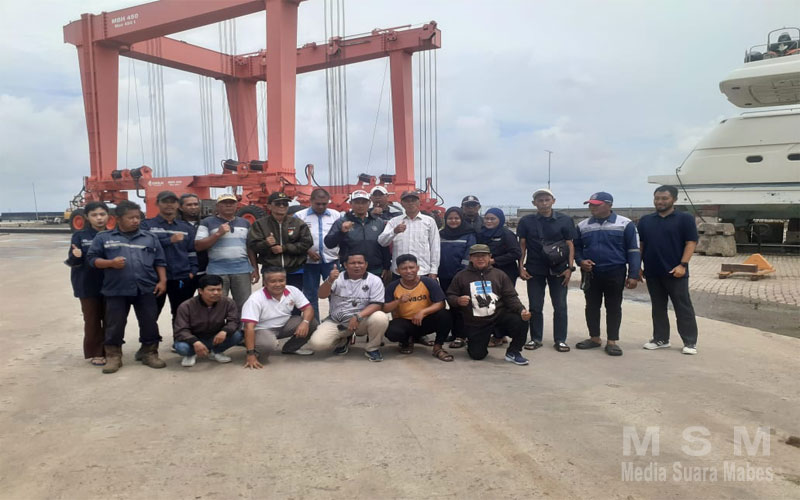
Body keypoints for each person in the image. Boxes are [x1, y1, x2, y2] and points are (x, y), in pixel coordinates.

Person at [86, 201, 167, 374]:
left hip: (145, 288)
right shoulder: (103, 237)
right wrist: (110, 263)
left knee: (149, 322)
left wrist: (162, 281)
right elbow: (92, 259)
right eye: (131, 218)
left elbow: (160, 261)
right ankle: (113, 356)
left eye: (138, 217)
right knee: (115, 324)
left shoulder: (150, 237)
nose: (136, 221)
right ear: (118, 219)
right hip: (116, 289)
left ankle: (149, 353)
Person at [573, 192, 641, 356]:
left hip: (615, 271)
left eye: (596, 204)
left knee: (613, 306)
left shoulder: (624, 224)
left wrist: (633, 274)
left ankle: (612, 341)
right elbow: (577, 248)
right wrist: (581, 261)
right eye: (590, 204)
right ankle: (594, 338)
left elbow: (633, 250)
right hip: (591, 273)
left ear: (609, 205)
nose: (592, 207)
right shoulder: (583, 226)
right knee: (591, 306)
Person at [637, 185, 699, 355]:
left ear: (674, 199)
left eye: (664, 198)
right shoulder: (646, 220)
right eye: (657, 198)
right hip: (652, 271)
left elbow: (691, 242)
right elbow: (641, 244)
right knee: (658, 307)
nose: (660, 201)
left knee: (683, 307)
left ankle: (690, 342)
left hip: (676, 272)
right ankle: (661, 339)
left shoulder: (685, 219)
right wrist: (637, 267)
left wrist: (683, 265)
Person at [446, 244, 531, 365]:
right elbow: (450, 295)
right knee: (477, 355)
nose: (480, 259)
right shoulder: (461, 276)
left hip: (498, 317)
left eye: (483, 256)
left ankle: (514, 351)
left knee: (521, 319)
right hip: (476, 322)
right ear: (470, 258)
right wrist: (458, 300)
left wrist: (521, 310)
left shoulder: (499, 275)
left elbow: (510, 296)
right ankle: (473, 342)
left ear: (490, 257)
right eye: (476, 256)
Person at [517, 188, 576, 353]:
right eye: (540, 200)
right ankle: (536, 338)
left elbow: (570, 244)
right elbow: (522, 246)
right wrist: (520, 267)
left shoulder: (565, 220)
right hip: (535, 269)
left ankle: (560, 340)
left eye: (547, 200)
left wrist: (570, 268)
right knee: (535, 306)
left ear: (553, 201)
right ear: (534, 203)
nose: (544, 203)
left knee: (560, 306)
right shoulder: (526, 221)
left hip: (559, 269)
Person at [304, 253, 389, 362]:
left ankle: (372, 348)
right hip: (337, 321)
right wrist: (330, 280)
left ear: (366, 264)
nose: (357, 266)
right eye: (352, 263)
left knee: (380, 317)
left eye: (360, 263)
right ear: (345, 265)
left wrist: (358, 316)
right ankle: (343, 341)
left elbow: (377, 304)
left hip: (362, 320)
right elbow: (321, 295)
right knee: (317, 344)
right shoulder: (336, 278)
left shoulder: (375, 280)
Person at [241, 267, 319, 369]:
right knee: (268, 344)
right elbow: (249, 327)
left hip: (284, 325)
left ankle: (290, 348)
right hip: (262, 329)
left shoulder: (293, 290)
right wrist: (250, 354)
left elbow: (308, 308)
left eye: (281, 280)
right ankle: (253, 350)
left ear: (285, 280)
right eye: (273, 281)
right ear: (265, 283)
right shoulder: (255, 299)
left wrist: (305, 322)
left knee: (312, 323)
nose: (278, 284)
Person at [195, 193, 259, 313]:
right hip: (217, 271)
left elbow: (250, 247)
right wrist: (218, 234)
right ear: (217, 206)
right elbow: (198, 246)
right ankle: (220, 325)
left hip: (242, 271)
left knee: (244, 305)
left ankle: (240, 325)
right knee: (216, 306)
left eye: (232, 203)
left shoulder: (245, 223)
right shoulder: (206, 222)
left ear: (236, 206)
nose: (228, 205)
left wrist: (255, 268)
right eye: (224, 203)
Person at [141, 190, 199, 322]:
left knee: (181, 314)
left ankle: (180, 336)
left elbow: (191, 251)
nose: (169, 205)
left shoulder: (186, 227)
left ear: (178, 205)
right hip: (154, 278)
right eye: (165, 202)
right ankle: (151, 336)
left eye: (172, 202)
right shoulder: (147, 225)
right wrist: (169, 240)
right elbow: (145, 247)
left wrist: (193, 270)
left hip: (180, 277)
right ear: (157, 204)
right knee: (151, 314)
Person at [383, 254, 454, 362]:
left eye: (411, 267)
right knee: (391, 331)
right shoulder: (392, 286)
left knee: (445, 315)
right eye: (404, 268)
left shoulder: (428, 282)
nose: (408, 271)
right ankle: (406, 341)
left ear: (417, 268)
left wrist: (423, 312)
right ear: (398, 271)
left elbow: (440, 303)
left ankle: (438, 347)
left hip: (425, 320)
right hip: (405, 322)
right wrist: (398, 301)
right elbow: (385, 309)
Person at [65, 201, 109, 366]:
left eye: (102, 214)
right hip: (87, 284)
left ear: (108, 216)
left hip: (110, 283)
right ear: (87, 217)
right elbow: (72, 261)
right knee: (92, 320)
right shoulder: (80, 236)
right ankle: (96, 352)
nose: (99, 218)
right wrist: (76, 255)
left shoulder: (113, 235)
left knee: (111, 319)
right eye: (94, 215)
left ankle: (111, 350)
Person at [172, 274, 243, 367]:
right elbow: (181, 330)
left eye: (219, 289)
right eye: (211, 290)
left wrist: (225, 331)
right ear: (200, 291)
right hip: (193, 338)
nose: (216, 293)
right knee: (181, 347)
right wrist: (194, 341)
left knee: (238, 335)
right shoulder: (186, 306)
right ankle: (191, 354)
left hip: (215, 337)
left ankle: (216, 352)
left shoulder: (227, 302)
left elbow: (234, 320)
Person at [247, 191, 313, 290]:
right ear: (269, 206)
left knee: (294, 298)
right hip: (271, 270)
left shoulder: (298, 223)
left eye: (285, 203)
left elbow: (307, 243)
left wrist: (284, 248)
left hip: (295, 270)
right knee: (271, 299)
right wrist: (266, 243)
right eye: (278, 203)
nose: (282, 206)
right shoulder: (260, 224)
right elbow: (252, 246)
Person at [294, 188, 341, 321]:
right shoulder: (299, 216)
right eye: (318, 204)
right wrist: (307, 251)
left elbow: (342, 235)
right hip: (309, 262)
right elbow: (293, 237)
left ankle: (335, 321)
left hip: (331, 261)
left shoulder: (336, 215)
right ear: (311, 201)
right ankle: (313, 324)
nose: (321, 206)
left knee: (335, 292)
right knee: (310, 294)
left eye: (324, 204)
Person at [324, 189, 391, 279]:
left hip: (375, 270)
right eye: (357, 202)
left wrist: (387, 266)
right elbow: (329, 243)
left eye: (363, 202)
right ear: (351, 203)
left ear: (369, 203)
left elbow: (384, 245)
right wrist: (341, 232)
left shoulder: (379, 222)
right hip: (351, 270)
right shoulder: (342, 222)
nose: (360, 205)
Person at [377, 190, 440, 278]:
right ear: (402, 203)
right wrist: (394, 232)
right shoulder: (394, 221)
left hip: (422, 271)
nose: (410, 203)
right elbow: (382, 242)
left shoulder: (429, 221)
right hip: (399, 272)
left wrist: (434, 270)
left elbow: (435, 247)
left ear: (419, 202)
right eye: (407, 201)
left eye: (413, 200)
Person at [438, 207, 476, 349]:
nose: (453, 221)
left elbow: (469, 256)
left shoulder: (469, 235)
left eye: (456, 218)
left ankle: (461, 336)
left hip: (461, 277)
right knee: (451, 304)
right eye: (450, 218)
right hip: (444, 275)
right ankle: (454, 333)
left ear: (461, 219)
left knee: (461, 306)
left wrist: (461, 274)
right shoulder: (441, 234)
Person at [178, 193, 208, 279]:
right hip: (184, 273)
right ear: (180, 207)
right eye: (189, 205)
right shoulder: (174, 226)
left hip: (206, 271)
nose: (193, 207)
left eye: (196, 204)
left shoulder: (207, 223)